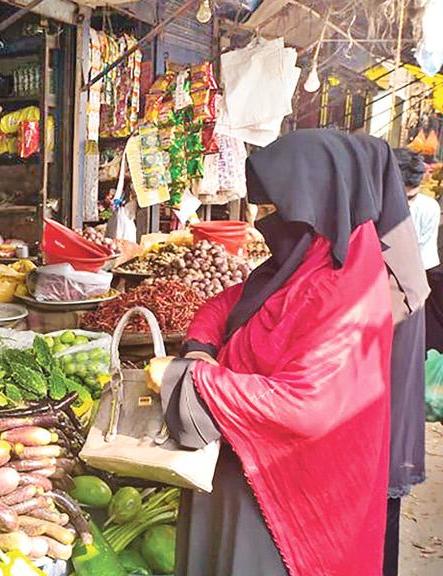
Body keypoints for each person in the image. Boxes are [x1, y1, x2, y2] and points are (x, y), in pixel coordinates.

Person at [145, 130, 428, 576]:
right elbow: (230, 302)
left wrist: (194, 381)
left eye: (274, 208)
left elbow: (306, 405)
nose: (263, 220)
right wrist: (200, 348)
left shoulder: (348, 286)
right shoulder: (307, 255)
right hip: (244, 455)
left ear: (312, 199)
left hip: (288, 492)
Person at [394, 147, 439, 271]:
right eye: (400, 198)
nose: (407, 205)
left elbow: (425, 259)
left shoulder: (428, 208)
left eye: (411, 197)